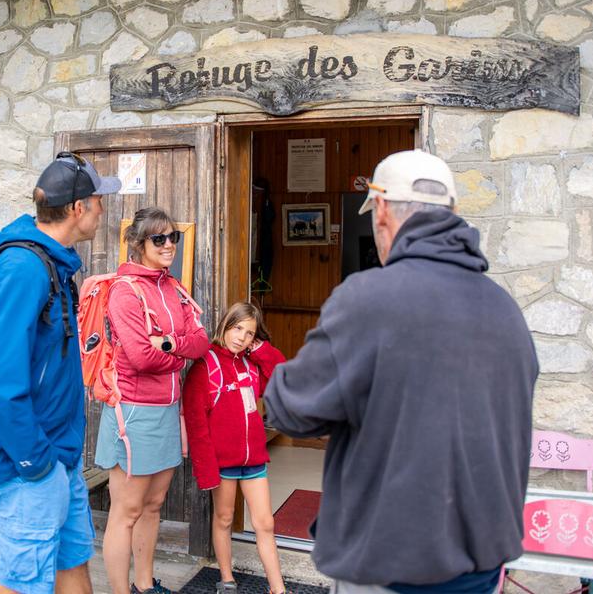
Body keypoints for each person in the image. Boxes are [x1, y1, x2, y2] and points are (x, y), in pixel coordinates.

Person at [263, 149, 538, 594]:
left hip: (389, 563)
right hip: (482, 566)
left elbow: (292, 410)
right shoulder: (504, 309)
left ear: (383, 211)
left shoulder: (370, 298)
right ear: (452, 215)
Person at [0, 151, 121, 594]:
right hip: (31, 466)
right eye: (98, 200)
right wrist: (35, 462)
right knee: (22, 585)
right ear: (78, 208)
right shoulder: (22, 270)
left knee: (72, 563)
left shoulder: (55, 265)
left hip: (60, 457)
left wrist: (57, 461)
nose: (102, 210)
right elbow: (0, 383)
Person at [95, 207, 209, 594]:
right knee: (125, 512)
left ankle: (145, 586)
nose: (168, 245)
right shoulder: (125, 291)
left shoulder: (173, 288)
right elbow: (141, 358)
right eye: (158, 239)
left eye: (172, 237)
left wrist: (169, 344)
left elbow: (201, 342)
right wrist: (177, 353)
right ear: (138, 244)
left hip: (166, 411)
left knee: (154, 505)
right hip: (134, 412)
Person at [183, 302, 289, 594]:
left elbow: (280, 377)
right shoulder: (205, 366)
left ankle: (277, 589)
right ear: (226, 325)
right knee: (225, 518)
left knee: (265, 523)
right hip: (223, 463)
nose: (241, 337)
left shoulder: (251, 363)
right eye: (237, 328)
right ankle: (227, 580)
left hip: (253, 460)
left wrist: (261, 350)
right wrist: (206, 471)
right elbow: (196, 424)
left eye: (249, 333)